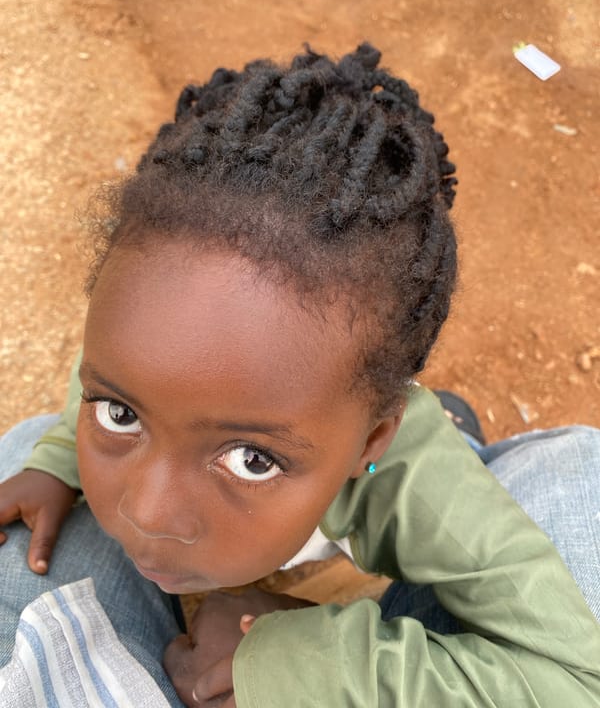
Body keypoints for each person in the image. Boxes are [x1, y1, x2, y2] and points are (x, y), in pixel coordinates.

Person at [0, 44, 599, 707]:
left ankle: (457, 432)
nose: (148, 512)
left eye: (253, 459)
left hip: (391, 492)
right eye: (119, 414)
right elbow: (103, 369)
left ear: (373, 440)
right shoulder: (151, 368)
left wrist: (300, 658)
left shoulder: (415, 486)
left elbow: (576, 678)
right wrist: (55, 459)